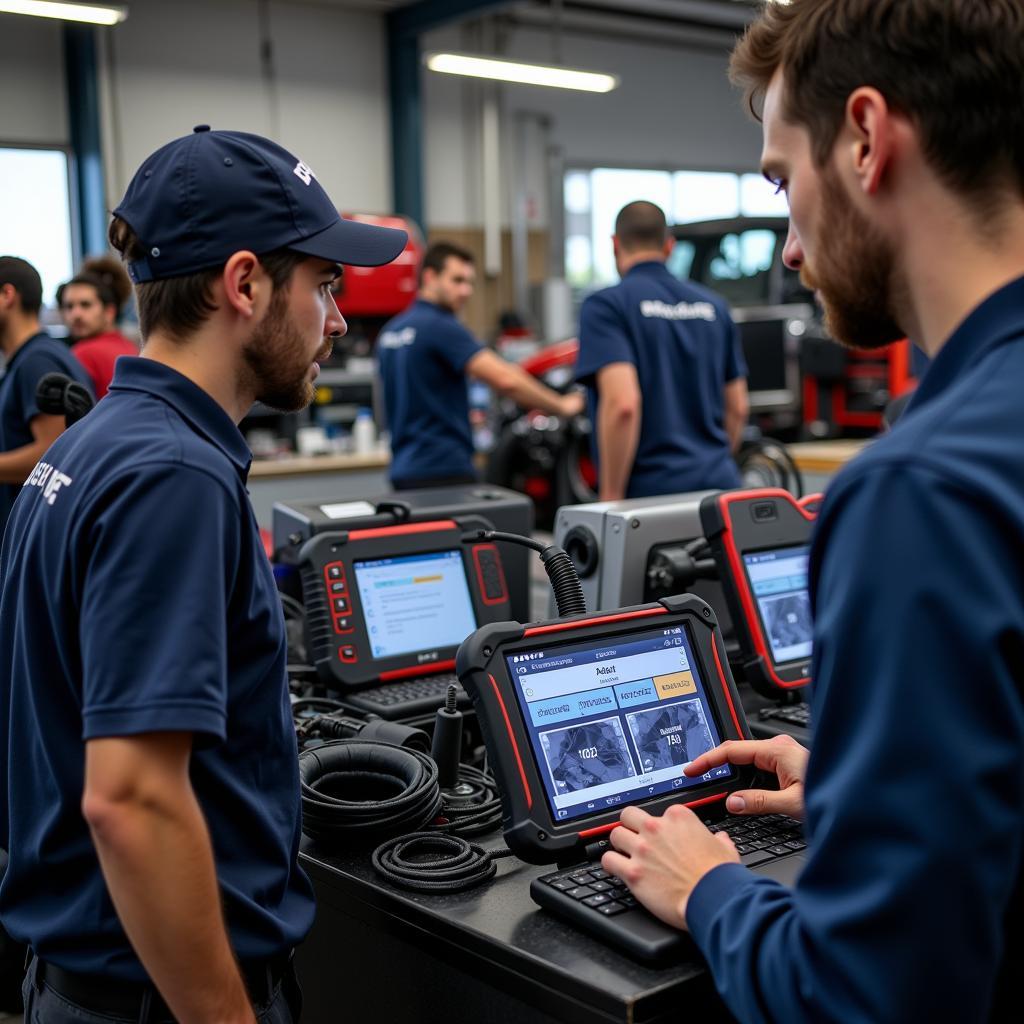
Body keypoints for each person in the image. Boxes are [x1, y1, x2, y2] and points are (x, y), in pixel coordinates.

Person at [601, 2, 1024, 1021]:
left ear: (867, 139)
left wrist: (711, 889)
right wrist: (867, 785)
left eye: (782, 180)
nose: (790, 248)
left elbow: (863, 995)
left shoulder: (920, 494)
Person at [0, 126, 407, 1022]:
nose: (337, 320)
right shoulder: (171, 478)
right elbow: (132, 801)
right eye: (325, 286)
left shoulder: (95, 448)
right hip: (152, 995)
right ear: (246, 282)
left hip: (87, 975)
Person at [575, 201, 749, 500]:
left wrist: (611, 497)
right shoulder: (714, 306)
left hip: (650, 497)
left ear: (615, 245)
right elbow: (738, 408)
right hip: (720, 490)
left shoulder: (607, 306)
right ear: (670, 247)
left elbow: (623, 404)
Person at [376, 241, 583, 490]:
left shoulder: (391, 331)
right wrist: (561, 405)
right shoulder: (441, 326)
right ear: (430, 277)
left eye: (470, 283)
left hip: (403, 470)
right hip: (443, 470)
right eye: (457, 280)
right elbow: (506, 379)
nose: (466, 291)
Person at [0, 256, 94, 536]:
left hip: (38, 532)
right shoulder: (32, 359)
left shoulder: (37, 361)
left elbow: (50, 454)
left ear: (7, 295)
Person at [58, 260, 138, 399]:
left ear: (109, 312)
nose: (75, 314)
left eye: (85, 305)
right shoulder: (130, 347)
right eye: (69, 306)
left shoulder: (83, 353)